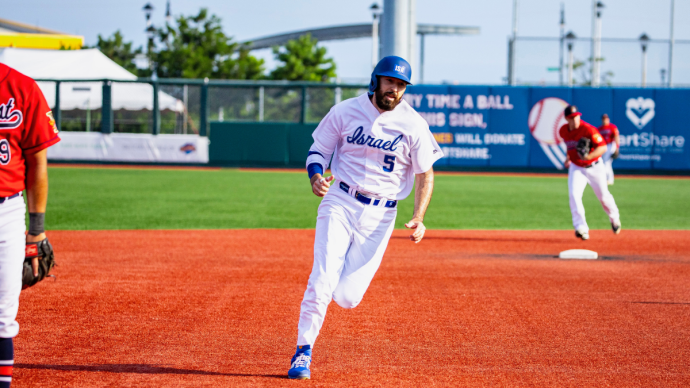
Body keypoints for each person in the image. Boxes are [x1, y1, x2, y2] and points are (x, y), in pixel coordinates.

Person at [287, 56, 443, 380]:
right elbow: (318, 152)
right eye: (390, 82)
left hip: (381, 216)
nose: (394, 90)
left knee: (346, 297)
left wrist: (419, 215)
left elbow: (426, 174)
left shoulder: (413, 124)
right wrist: (315, 176)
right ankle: (303, 351)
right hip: (340, 201)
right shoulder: (345, 112)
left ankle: (332, 282)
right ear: (376, 80)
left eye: (401, 85)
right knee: (322, 279)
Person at [0, 63, 61, 387]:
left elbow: (38, 162)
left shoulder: (21, 88)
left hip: (5, 213)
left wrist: (35, 229)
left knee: (2, 318)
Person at [559, 105, 621, 240]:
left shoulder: (588, 129)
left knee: (603, 196)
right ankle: (581, 227)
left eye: (576, 117)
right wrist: (568, 158)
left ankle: (615, 218)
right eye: (571, 118)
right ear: (566, 119)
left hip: (595, 166)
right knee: (574, 195)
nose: (575, 120)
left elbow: (603, 147)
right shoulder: (563, 131)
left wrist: (588, 156)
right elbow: (569, 146)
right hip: (576, 167)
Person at [598, 113, 620, 185]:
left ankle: (608, 179)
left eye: (606, 119)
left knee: (606, 162)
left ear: (608, 119)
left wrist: (617, 147)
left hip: (610, 145)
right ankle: (609, 179)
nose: (605, 120)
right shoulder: (599, 129)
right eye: (603, 119)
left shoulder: (612, 127)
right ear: (602, 120)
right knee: (605, 163)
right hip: (602, 146)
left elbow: (616, 137)